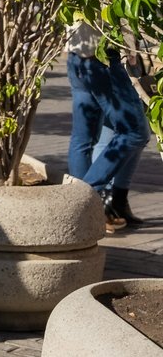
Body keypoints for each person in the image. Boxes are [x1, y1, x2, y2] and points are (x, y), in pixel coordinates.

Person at [66, 22, 150, 232]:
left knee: (83, 139)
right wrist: (130, 51)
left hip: (77, 55)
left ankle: (86, 212)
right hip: (105, 57)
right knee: (135, 132)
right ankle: (85, 201)